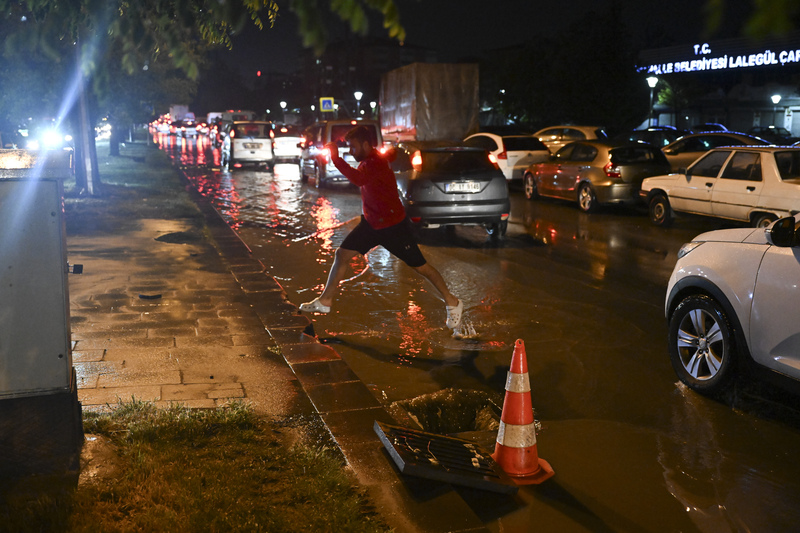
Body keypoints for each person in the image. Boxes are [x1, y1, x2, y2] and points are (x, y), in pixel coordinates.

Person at [299, 125, 463, 331]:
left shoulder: (375, 163)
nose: (351, 151)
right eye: (349, 147)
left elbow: (358, 179)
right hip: (371, 224)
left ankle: (452, 301)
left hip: (393, 227)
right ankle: (325, 301)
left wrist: (335, 158)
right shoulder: (369, 161)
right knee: (342, 254)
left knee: (421, 267)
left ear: (366, 145)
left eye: (353, 147)